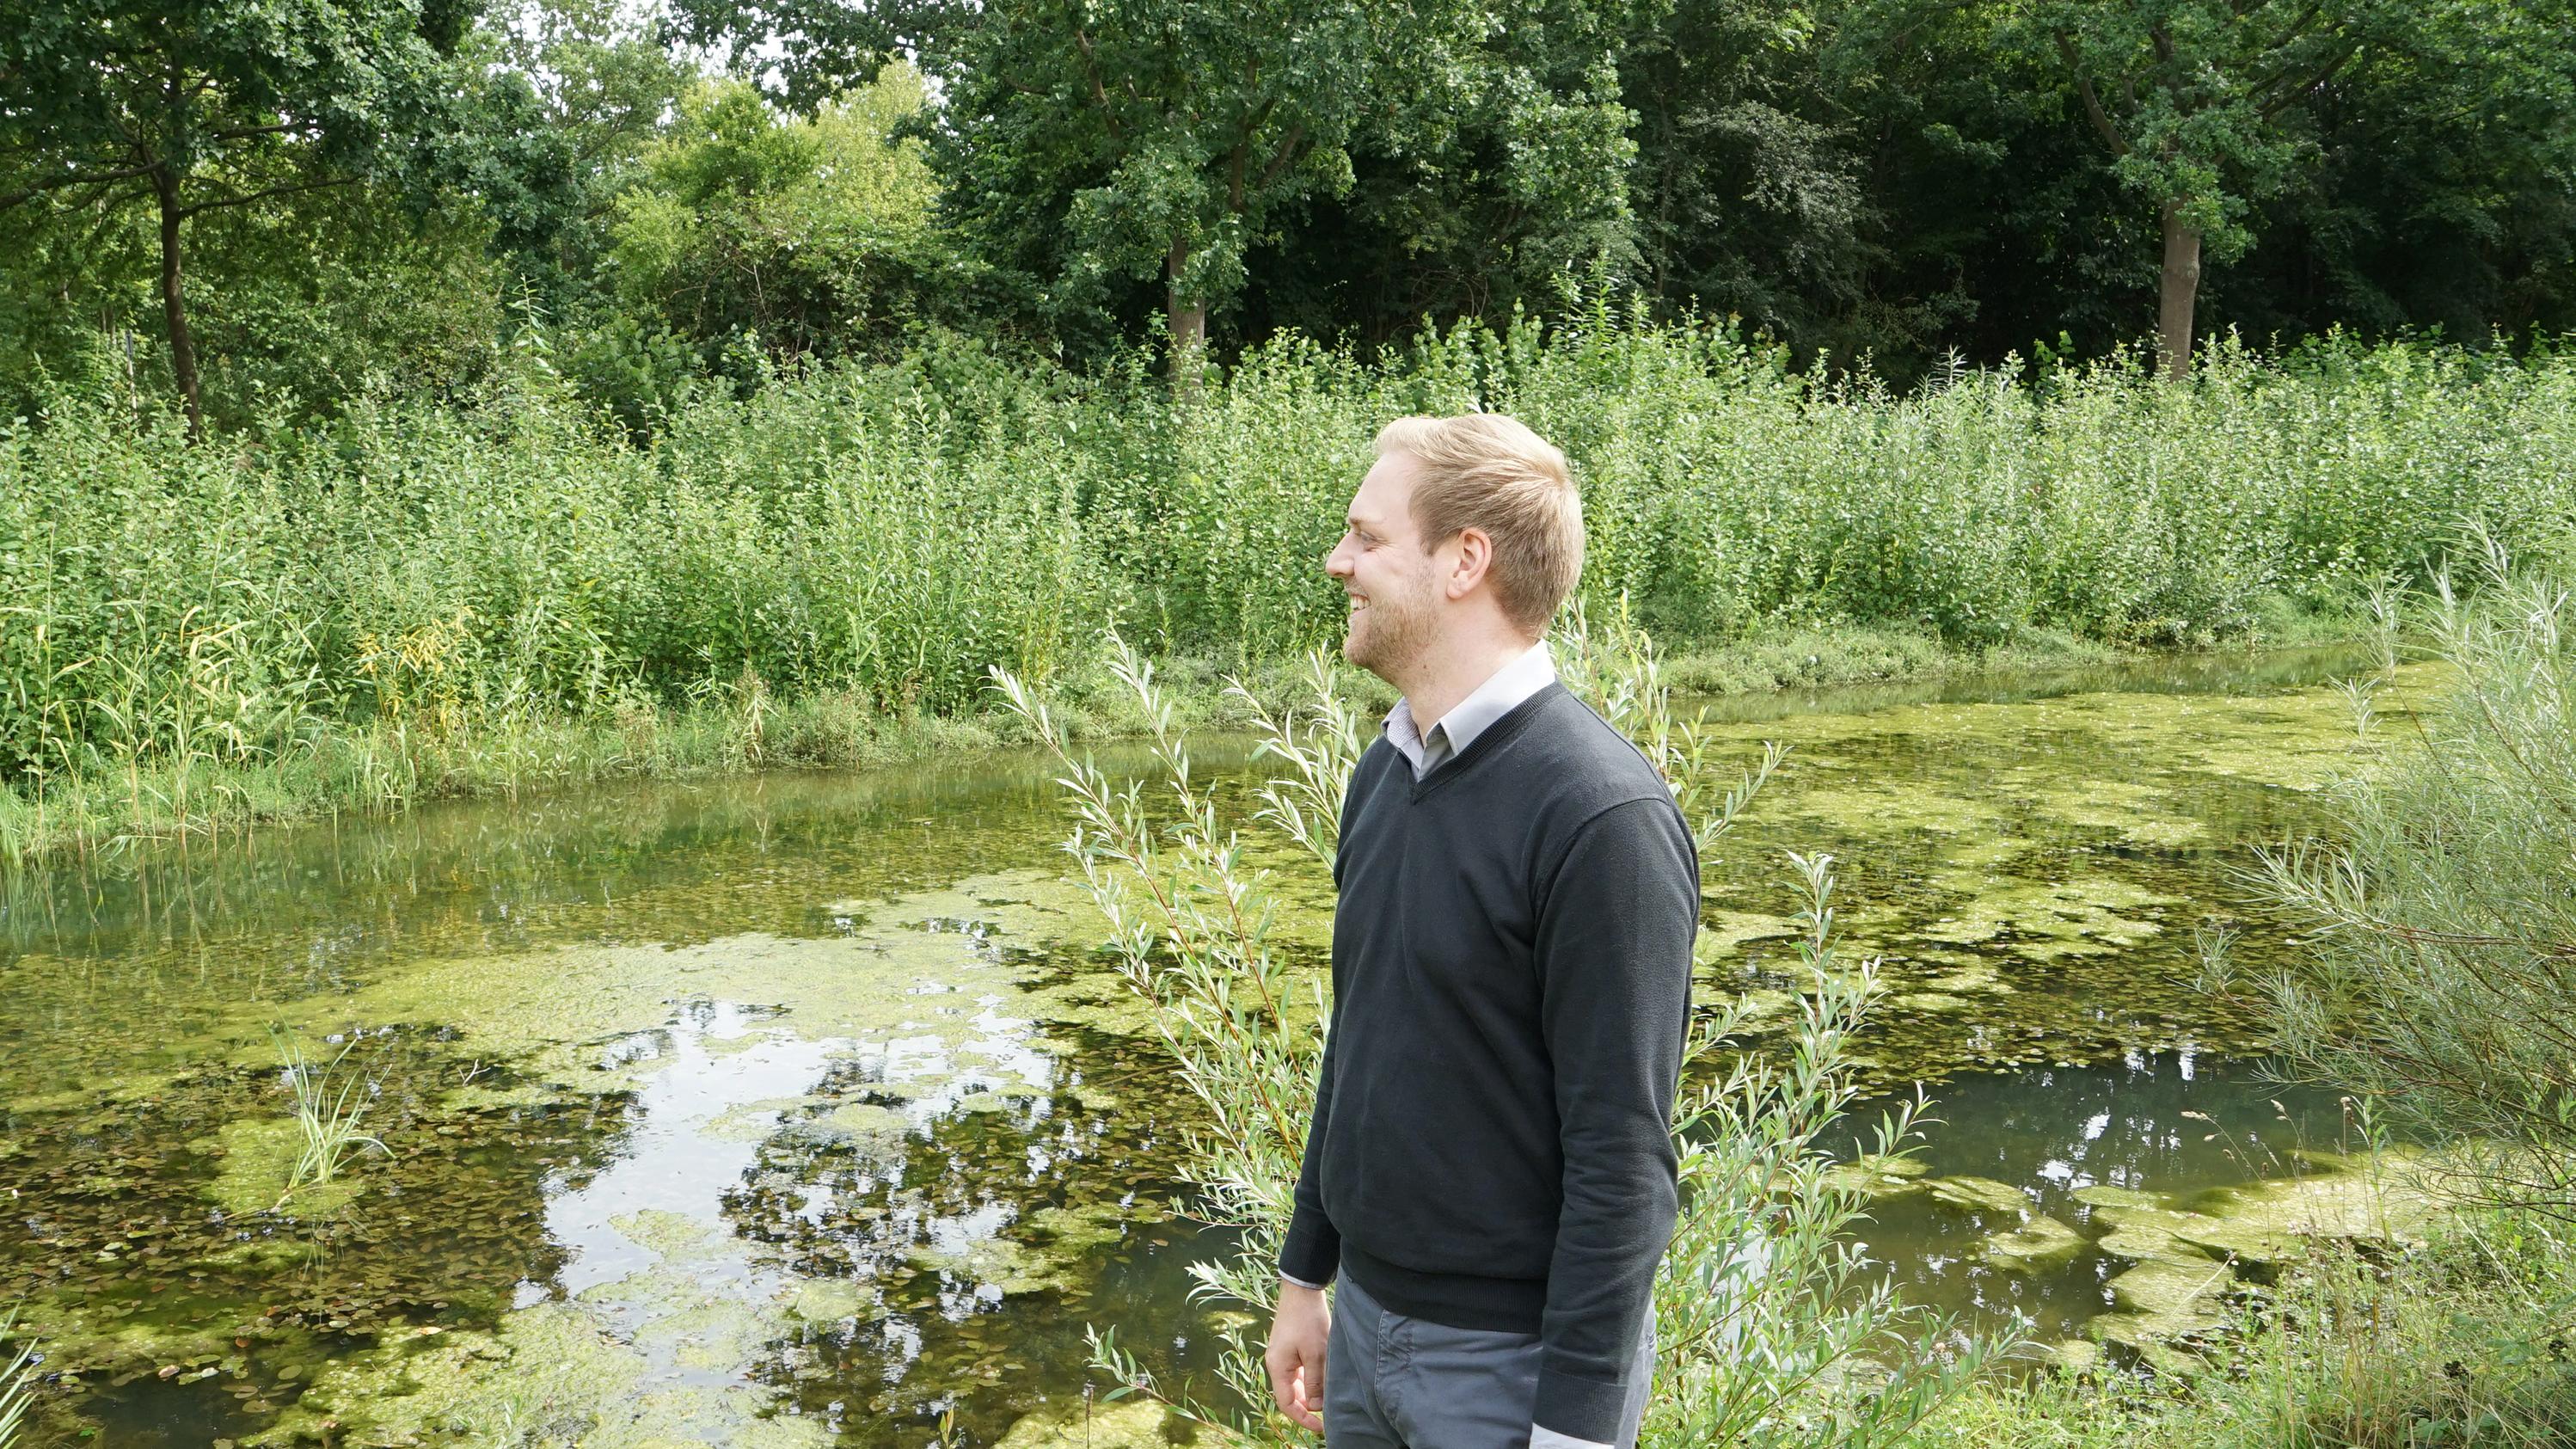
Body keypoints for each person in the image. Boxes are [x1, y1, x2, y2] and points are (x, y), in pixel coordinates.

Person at [1262, 414, 1702, 1449]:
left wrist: (1576, 1429)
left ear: (1466, 559)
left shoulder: (1600, 818)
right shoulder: (1384, 772)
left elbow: (1622, 1160)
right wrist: (1304, 1274)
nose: (1339, 563)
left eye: (1366, 537)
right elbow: (1361, 1037)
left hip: (1510, 1371)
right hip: (1364, 1334)